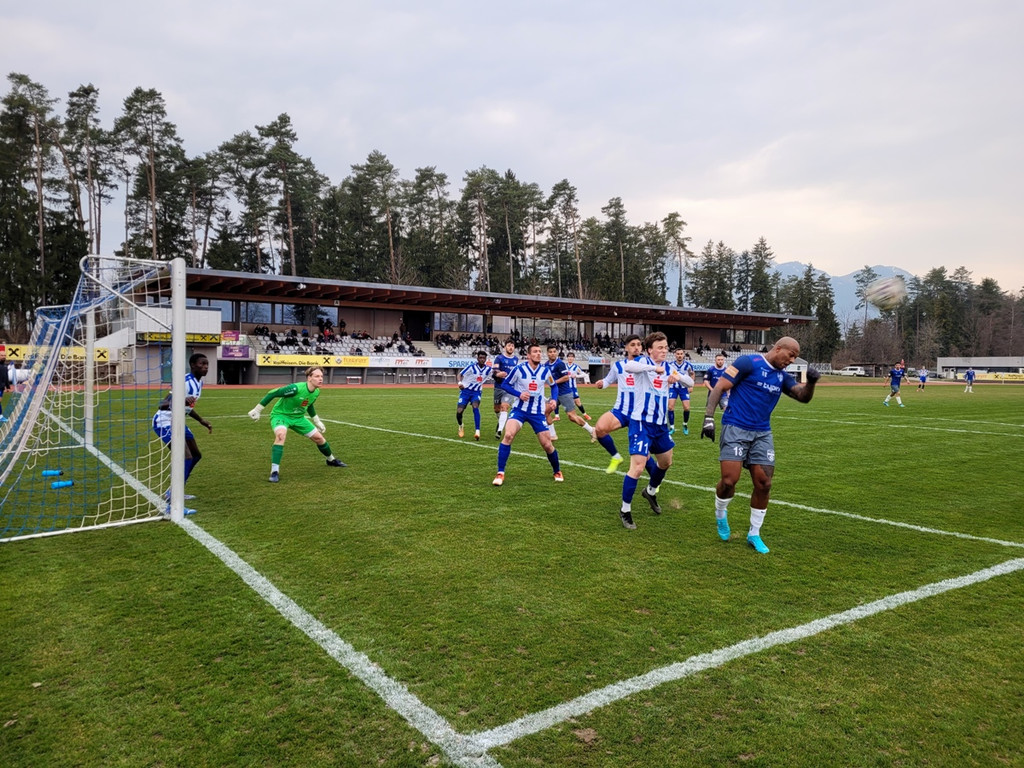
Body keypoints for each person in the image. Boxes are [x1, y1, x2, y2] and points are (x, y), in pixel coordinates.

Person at [701, 337, 819, 553]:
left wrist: (810, 383)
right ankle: (720, 514)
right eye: (790, 355)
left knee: (764, 483)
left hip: (762, 432)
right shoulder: (748, 363)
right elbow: (720, 387)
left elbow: (802, 396)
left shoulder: (782, 377)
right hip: (736, 426)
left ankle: (754, 533)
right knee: (729, 481)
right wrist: (708, 417)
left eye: (795, 357)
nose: (792, 361)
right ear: (778, 348)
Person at [618, 332, 692, 530]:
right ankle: (625, 510)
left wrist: (677, 378)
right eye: (660, 347)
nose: (664, 351)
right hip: (641, 422)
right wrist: (654, 368)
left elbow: (691, 383)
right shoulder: (642, 364)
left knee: (666, 462)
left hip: (660, 425)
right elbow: (628, 366)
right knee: (638, 467)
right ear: (650, 350)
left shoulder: (669, 369)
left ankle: (650, 491)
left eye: (666, 347)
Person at [247, 366, 346, 482]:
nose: (320, 379)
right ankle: (274, 471)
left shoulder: (316, 392)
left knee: (319, 439)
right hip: (281, 415)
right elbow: (272, 393)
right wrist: (258, 409)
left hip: (298, 418)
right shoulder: (295, 388)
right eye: (317, 376)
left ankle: (331, 460)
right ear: (309, 378)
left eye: (321, 376)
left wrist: (317, 421)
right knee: (280, 435)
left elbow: (308, 404)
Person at [151, 353, 213, 515]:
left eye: (207, 364)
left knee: (196, 455)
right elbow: (163, 405)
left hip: (179, 422)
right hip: (165, 422)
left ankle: (174, 491)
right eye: (202, 364)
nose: (205, 367)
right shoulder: (184, 382)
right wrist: (180, 400)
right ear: (193, 365)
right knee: (185, 457)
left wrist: (201, 420)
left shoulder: (199, 383)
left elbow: (188, 407)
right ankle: (172, 504)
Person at [492, 343, 562, 486]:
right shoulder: (519, 369)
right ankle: (500, 473)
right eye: (535, 352)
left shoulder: (545, 371)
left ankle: (557, 471)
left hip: (537, 413)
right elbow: (505, 384)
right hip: (519, 410)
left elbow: (554, 385)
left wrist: (554, 399)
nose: (538, 354)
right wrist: (519, 394)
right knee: (508, 435)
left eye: (539, 352)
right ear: (528, 355)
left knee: (547, 445)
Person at [592, 335, 644, 474]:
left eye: (639, 344)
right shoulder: (618, 366)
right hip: (621, 411)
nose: (636, 347)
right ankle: (616, 457)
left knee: (642, 454)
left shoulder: (647, 365)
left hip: (639, 414)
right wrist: (602, 383)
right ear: (626, 347)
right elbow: (609, 380)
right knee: (600, 429)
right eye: (633, 344)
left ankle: (654, 483)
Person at [544, 345, 597, 442]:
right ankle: (553, 435)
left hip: (565, 393)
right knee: (545, 412)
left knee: (572, 417)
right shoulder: (546, 365)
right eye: (550, 352)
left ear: (556, 353)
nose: (552, 353)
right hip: (555, 393)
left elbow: (566, 377)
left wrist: (553, 383)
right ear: (547, 353)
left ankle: (592, 430)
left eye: (554, 351)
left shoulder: (560, 364)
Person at [456, 351, 492, 440]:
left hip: (476, 392)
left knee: (475, 407)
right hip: (465, 391)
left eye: (484, 358)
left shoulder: (488, 369)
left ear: (486, 359)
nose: (482, 359)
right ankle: (461, 425)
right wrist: (460, 383)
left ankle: (477, 431)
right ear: (477, 358)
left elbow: (496, 374)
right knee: (459, 411)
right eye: (480, 358)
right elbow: (460, 374)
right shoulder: (471, 367)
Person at [491, 339, 520, 439]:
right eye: (509, 345)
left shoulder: (516, 359)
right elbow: (494, 370)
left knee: (505, 407)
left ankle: (499, 430)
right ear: (505, 347)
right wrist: (499, 373)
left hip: (509, 388)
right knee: (496, 409)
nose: (511, 347)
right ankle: (501, 422)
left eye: (512, 346)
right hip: (499, 387)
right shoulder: (499, 358)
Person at [666, 348, 695, 435]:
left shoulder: (688, 365)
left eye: (681, 354)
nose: (679, 355)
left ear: (683, 355)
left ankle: (685, 424)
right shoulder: (670, 365)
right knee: (670, 407)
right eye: (678, 354)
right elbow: (667, 375)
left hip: (683, 388)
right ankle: (672, 427)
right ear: (675, 355)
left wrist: (691, 385)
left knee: (686, 408)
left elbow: (692, 374)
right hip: (673, 387)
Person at [563, 352, 591, 420]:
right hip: (565, 387)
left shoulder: (576, 367)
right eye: (569, 357)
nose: (570, 358)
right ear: (567, 358)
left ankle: (585, 414)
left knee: (577, 402)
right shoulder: (564, 366)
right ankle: (556, 415)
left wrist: (576, 376)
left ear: (573, 358)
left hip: (573, 387)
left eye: (572, 357)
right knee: (560, 401)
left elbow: (584, 374)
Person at [0, 347, 10, 423]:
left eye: (4, 355)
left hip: (1, 387)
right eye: (2, 355)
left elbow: (6, 377)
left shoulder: (5, 366)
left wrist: (8, 387)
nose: (3, 356)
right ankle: (0, 416)